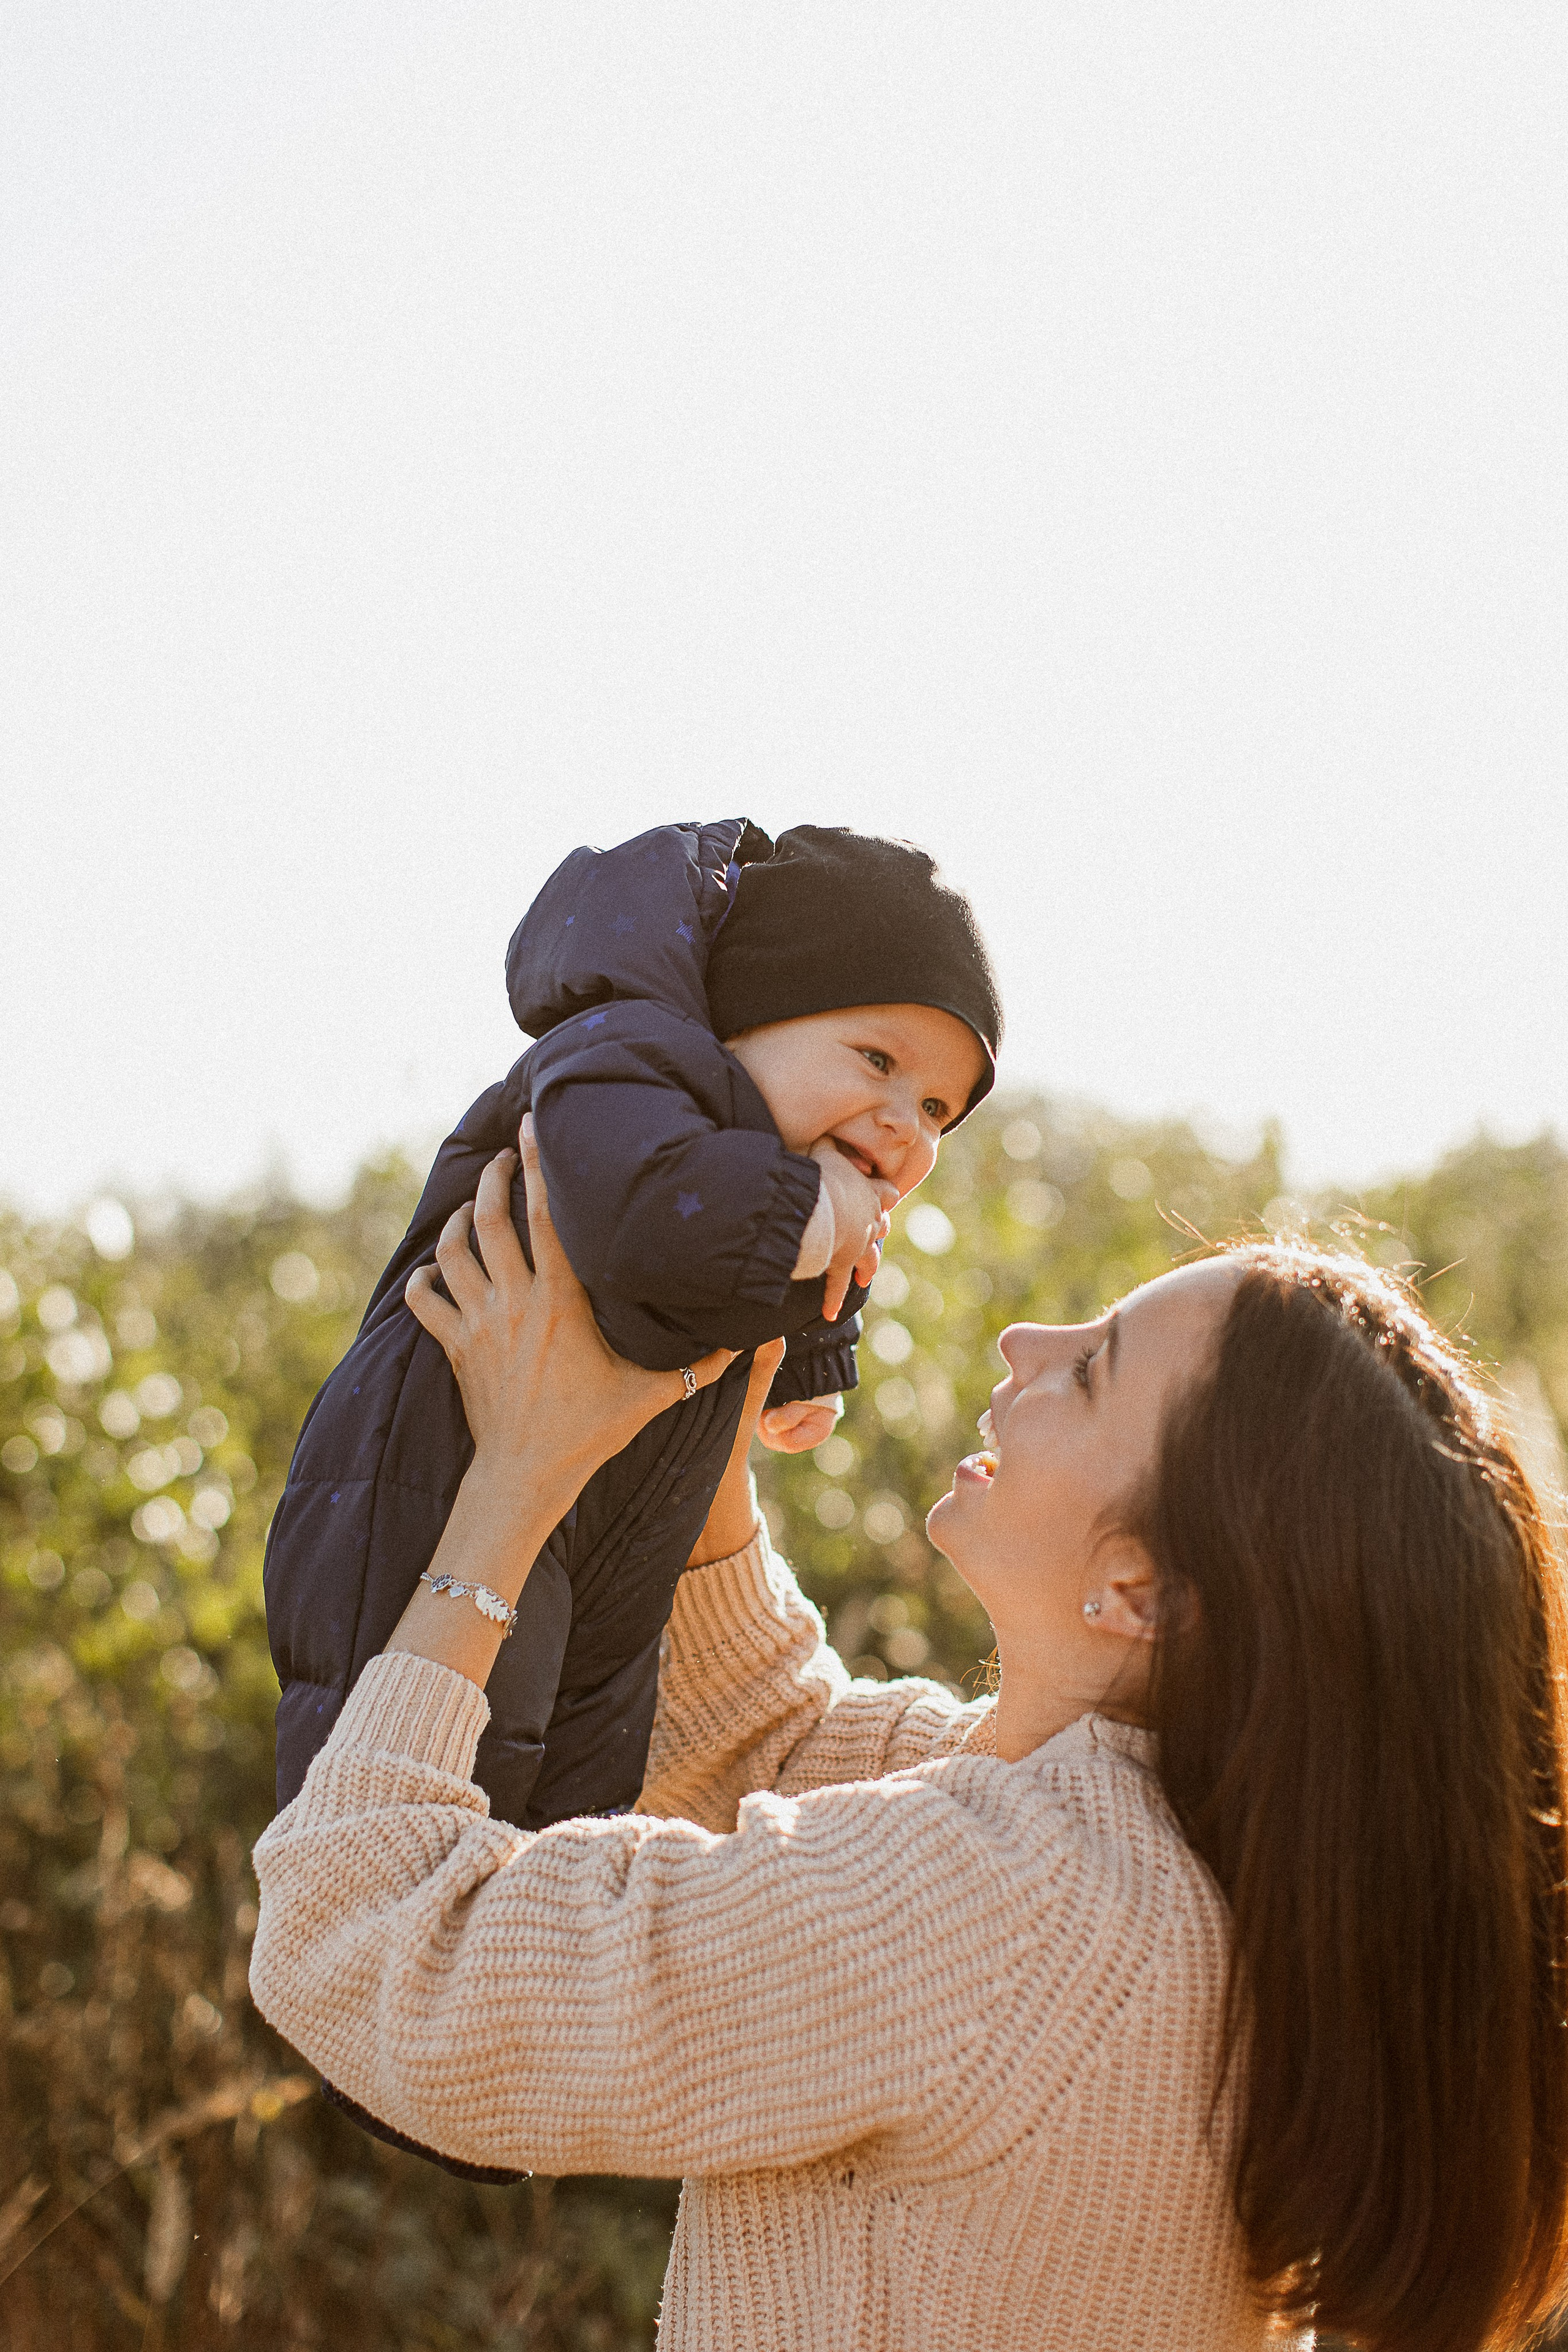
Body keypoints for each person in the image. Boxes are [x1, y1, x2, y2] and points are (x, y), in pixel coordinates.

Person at [251, 1124, 1568, 2352]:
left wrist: (515, 1482)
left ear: (1142, 1593)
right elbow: (769, 1749)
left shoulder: (1003, 1903)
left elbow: (373, 1946)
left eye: (1092, 1367)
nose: (1025, 1340)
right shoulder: (1193, 1854)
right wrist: (712, 1406)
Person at [263, 817, 999, 1841]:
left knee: (586, 1784)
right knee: (427, 1745)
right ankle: (367, 1890)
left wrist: (808, 1358)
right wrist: (816, 1211)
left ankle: (537, 1901)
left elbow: (796, 1263)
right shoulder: (628, 1055)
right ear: (747, 1013)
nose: (902, 1124)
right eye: (877, 1060)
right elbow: (653, 1218)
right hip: (433, 1472)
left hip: (618, 1499)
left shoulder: (785, 1165)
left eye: (935, 1110)